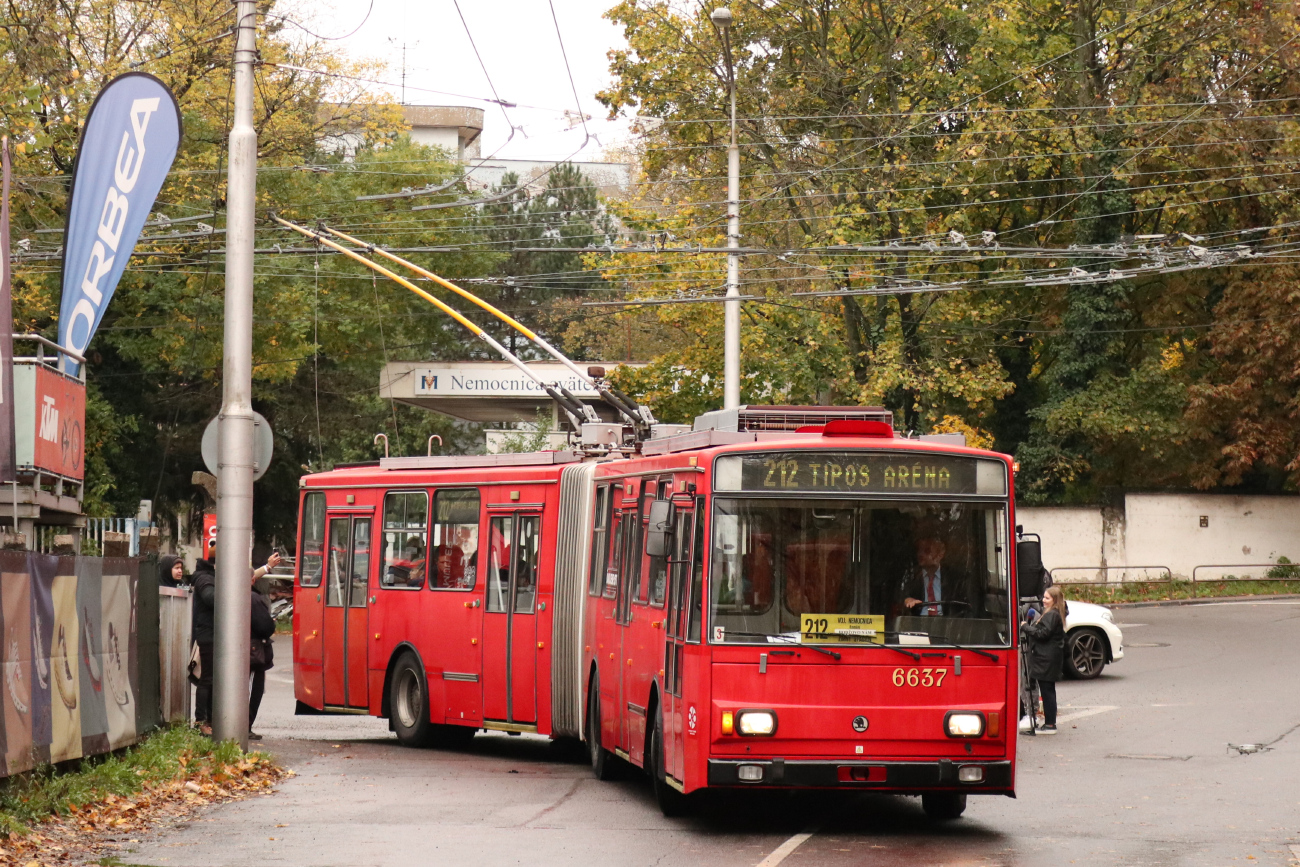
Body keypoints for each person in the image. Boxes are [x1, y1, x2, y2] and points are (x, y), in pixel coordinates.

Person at [1021, 585, 1068, 734]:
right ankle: (1049, 723)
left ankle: (1050, 724)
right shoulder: (1051, 613)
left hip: (1046, 659)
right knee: (1048, 690)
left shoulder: (1052, 615)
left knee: (1047, 691)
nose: (1043, 600)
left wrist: (1025, 627)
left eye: (1047, 598)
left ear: (1054, 600)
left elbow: (1043, 633)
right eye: (1044, 597)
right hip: (1047, 658)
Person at [901, 531, 964, 616]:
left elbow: (963, 608)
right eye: (919, 550)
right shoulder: (912, 577)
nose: (920, 554)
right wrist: (907, 600)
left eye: (927, 551)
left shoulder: (955, 579)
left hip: (947, 625)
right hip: (918, 624)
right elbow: (901, 597)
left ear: (940, 555)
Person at [248, 558, 278, 741]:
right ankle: (246, 725)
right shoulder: (254, 598)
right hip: (254, 649)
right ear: (252, 579)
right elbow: (263, 626)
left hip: (243, 647)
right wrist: (270, 623)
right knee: (255, 688)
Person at [190, 556, 217, 736]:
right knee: (207, 679)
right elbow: (210, 598)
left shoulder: (209, 576)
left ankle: (210, 719)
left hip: (212, 634)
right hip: (208, 634)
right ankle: (201, 720)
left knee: (212, 679)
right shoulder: (204, 578)